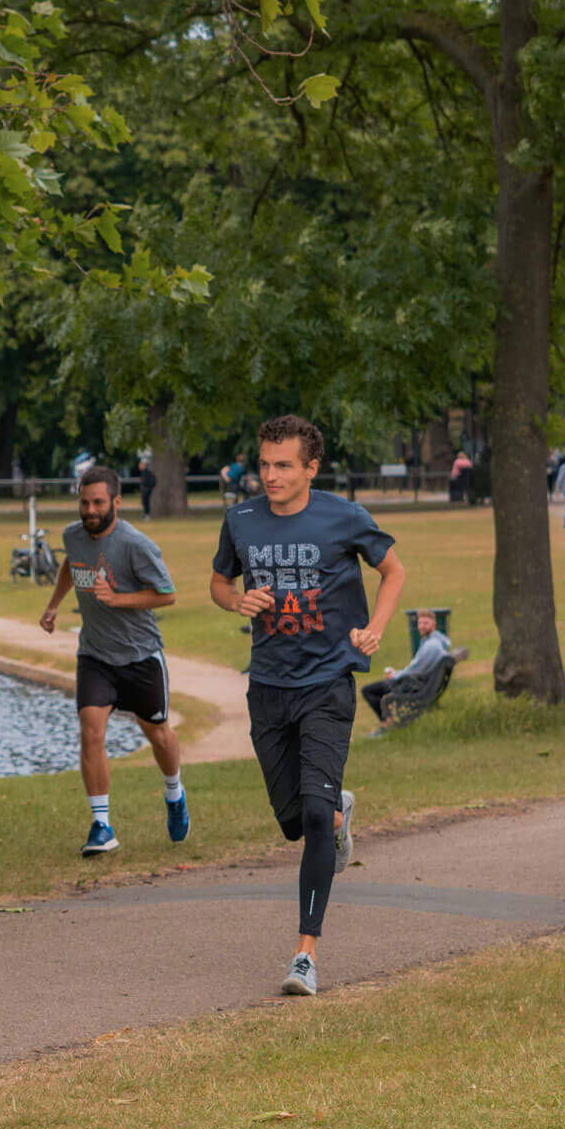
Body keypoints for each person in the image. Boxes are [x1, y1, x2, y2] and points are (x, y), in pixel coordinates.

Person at [209, 414, 408, 999]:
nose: (270, 475)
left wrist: (375, 628)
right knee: (296, 822)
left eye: (283, 465)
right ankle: (338, 815)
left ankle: (305, 955)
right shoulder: (240, 520)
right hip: (269, 687)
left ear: (311, 468)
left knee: (314, 818)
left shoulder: (344, 517)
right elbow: (218, 584)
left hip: (327, 683)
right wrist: (237, 601)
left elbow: (393, 570)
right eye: (264, 464)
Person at [38, 464, 188, 854]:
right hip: (95, 654)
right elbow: (72, 563)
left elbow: (167, 594)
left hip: (140, 655)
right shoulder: (72, 535)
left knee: (157, 734)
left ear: (116, 502)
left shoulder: (136, 544)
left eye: (98, 503)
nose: (90, 510)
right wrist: (54, 605)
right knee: (91, 731)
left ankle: (174, 793)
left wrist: (117, 599)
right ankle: (102, 825)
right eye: (85, 503)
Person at [361, 609, 459, 730]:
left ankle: (387, 723)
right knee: (376, 688)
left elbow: (416, 670)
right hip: (422, 683)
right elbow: (416, 668)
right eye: (420, 623)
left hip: (415, 686)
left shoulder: (432, 646)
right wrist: (397, 673)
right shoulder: (435, 641)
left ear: (434, 625)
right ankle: (389, 722)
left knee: (368, 691)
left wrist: (395, 676)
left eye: (426, 623)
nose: (421, 626)